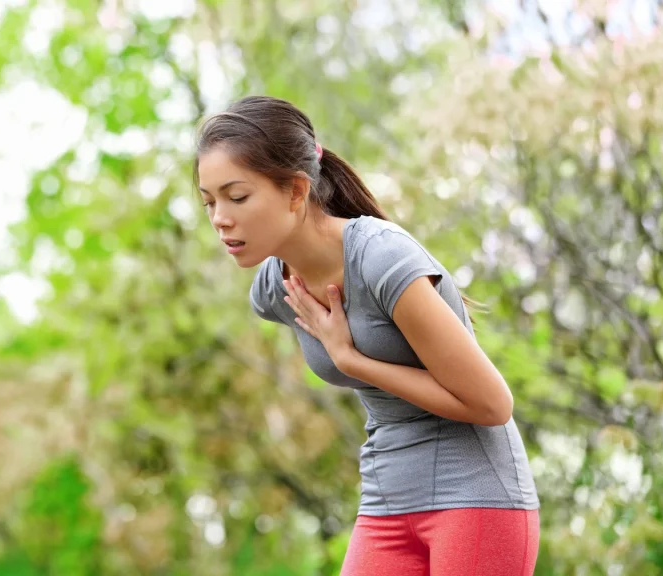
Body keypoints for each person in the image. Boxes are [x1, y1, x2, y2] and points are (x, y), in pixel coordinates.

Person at [193, 95, 540, 576]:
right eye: (209, 201)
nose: (219, 218)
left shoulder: (381, 258)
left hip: (475, 495)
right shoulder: (274, 288)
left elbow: (493, 405)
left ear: (296, 191)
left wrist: (353, 360)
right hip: (385, 501)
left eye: (237, 196)